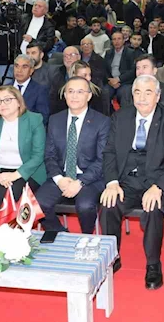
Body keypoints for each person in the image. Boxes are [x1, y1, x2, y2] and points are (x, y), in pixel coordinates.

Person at [101, 75, 164, 289]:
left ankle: (153, 265)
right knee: (108, 204)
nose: (142, 98)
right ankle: (111, 257)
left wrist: (158, 187)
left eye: (148, 93)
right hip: (126, 180)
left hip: (157, 180)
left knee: (153, 208)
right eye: (137, 92)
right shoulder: (121, 117)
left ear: (158, 96)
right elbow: (109, 152)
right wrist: (112, 182)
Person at [36, 76, 109, 235]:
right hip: (61, 175)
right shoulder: (55, 120)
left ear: (89, 96)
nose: (74, 96)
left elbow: (102, 160)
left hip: (90, 178)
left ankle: (86, 236)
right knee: (38, 204)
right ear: (65, 95)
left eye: (80, 92)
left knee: (85, 206)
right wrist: (59, 179)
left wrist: (80, 182)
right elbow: (49, 155)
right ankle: (62, 234)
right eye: (70, 91)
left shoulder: (102, 122)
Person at [0, 86, 47, 228]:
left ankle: (11, 238)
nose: (2, 104)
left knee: (11, 204)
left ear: (19, 102)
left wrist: (15, 175)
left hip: (27, 172)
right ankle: (1, 238)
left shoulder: (34, 120)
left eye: (7, 100)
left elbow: (38, 155)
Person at [11, 54, 50, 126]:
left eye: (24, 67)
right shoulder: (5, 89)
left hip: (29, 129)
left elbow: (43, 117)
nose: (19, 70)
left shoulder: (40, 90)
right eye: (16, 66)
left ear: (31, 70)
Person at [104, 30, 136, 101]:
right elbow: (105, 69)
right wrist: (110, 81)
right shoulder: (108, 53)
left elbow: (132, 71)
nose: (117, 41)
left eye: (119, 39)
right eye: (114, 39)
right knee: (104, 93)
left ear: (123, 40)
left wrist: (118, 79)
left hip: (124, 82)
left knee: (124, 94)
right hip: (111, 82)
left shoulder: (130, 53)